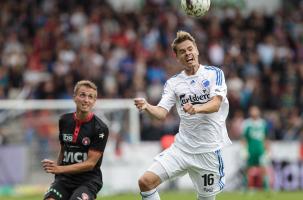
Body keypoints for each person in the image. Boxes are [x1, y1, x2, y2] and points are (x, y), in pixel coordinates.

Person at [134, 31, 232, 200]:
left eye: (190, 49)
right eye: (182, 51)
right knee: (145, 182)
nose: (187, 53)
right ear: (177, 57)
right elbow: (161, 113)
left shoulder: (214, 73)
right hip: (181, 149)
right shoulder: (173, 83)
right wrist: (147, 106)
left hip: (208, 152)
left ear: (197, 50)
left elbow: (216, 104)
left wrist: (197, 109)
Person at [42, 80, 109, 200]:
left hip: (88, 181)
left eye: (90, 97)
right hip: (64, 179)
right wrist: (57, 173)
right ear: (74, 97)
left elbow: (90, 164)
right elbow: (63, 150)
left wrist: (59, 169)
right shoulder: (64, 120)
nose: (86, 100)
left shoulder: (100, 128)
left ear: (94, 101)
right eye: (82, 95)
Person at [241, 105, 270, 190]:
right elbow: (244, 138)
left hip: (260, 149)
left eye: (255, 110)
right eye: (252, 110)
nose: (254, 112)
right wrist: (244, 150)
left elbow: (266, 138)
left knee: (263, 168)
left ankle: (265, 187)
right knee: (248, 168)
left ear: (259, 112)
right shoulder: (247, 123)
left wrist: (268, 150)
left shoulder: (263, 123)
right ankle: (246, 187)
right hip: (250, 149)